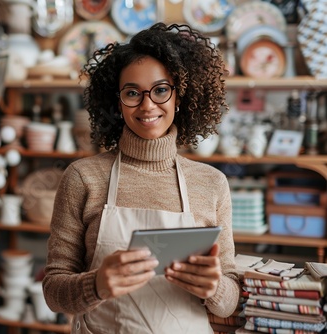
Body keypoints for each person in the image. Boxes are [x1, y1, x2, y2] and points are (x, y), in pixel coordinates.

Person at [42, 22, 241, 333]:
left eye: (161, 90)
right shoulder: (83, 178)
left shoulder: (211, 184)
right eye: (132, 93)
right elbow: (54, 292)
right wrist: (96, 285)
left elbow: (230, 298)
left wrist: (214, 288)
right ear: (118, 102)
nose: (148, 105)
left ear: (180, 96)